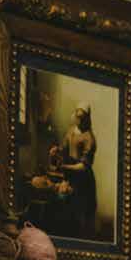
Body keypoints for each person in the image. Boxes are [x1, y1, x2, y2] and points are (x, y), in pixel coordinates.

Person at [51, 101, 98, 238]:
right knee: (65, 208)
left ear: (87, 118)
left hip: (83, 179)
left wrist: (64, 167)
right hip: (70, 175)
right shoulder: (71, 131)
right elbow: (64, 148)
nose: (79, 120)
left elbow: (83, 166)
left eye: (82, 117)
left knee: (80, 213)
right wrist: (56, 150)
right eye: (77, 116)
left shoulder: (89, 138)